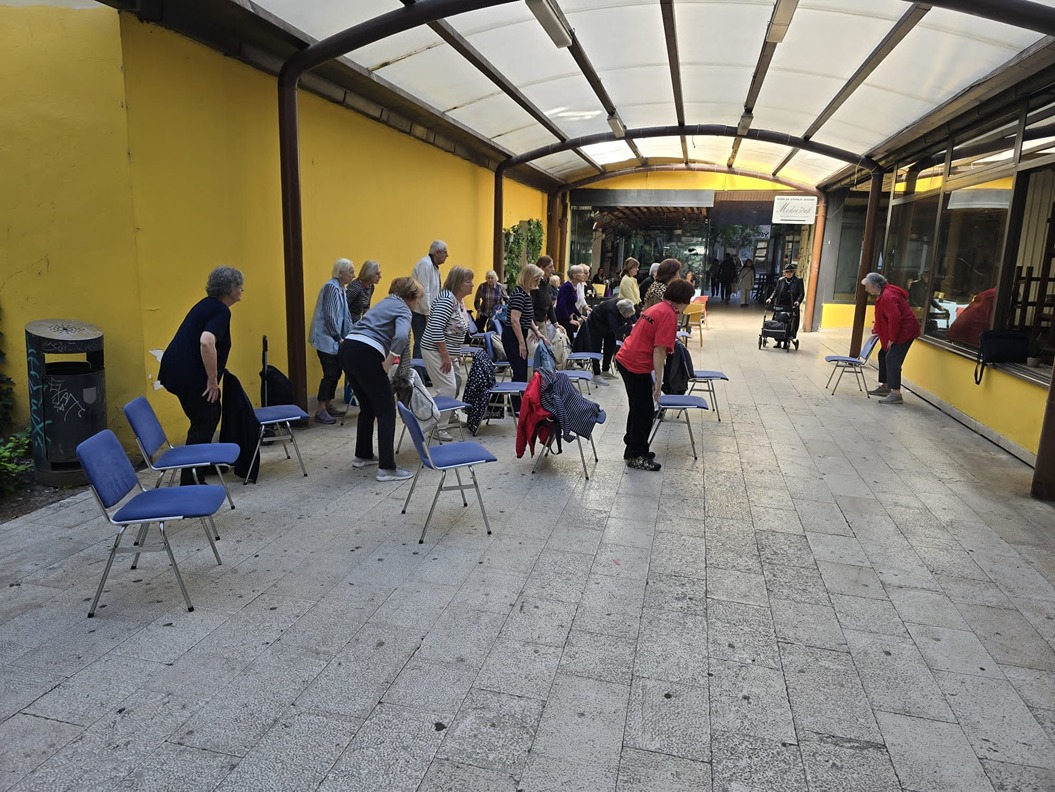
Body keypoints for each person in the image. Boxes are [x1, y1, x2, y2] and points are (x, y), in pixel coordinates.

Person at [158, 266, 244, 484]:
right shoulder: (221, 310)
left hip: (177, 372)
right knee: (204, 419)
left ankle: (202, 463)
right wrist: (213, 381)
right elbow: (206, 342)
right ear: (229, 289)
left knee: (211, 412)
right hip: (188, 376)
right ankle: (191, 479)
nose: (242, 289)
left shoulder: (207, 305)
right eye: (239, 286)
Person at [339, 277, 422, 481]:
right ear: (410, 297)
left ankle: (363, 455)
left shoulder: (385, 302)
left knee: (367, 406)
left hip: (348, 349)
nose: (418, 303)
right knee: (386, 410)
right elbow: (401, 337)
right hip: (366, 353)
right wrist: (388, 362)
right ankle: (387, 468)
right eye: (418, 298)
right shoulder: (403, 309)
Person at [615, 278, 695, 471]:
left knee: (638, 407)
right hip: (635, 364)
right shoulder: (668, 314)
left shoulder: (658, 308)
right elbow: (659, 350)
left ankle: (633, 448)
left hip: (627, 358)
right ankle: (636, 455)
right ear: (684, 299)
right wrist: (659, 381)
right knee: (644, 411)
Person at [421, 266, 474, 441]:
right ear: (458, 283)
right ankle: (436, 426)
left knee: (456, 382)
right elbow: (436, 329)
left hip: (448, 352)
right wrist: (445, 355)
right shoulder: (446, 300)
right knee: (447, 387)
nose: (472, 284)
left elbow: (455, 329)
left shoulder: (458, 301)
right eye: (468, 281)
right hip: (435, 350)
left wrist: (454, 353)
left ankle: (448, 414)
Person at [862, 272, 921, 405]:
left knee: (892, 358)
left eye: (867, 286)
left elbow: (895, 318)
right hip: (899, 330)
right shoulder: (883, 294)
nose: (866, 289)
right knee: (883, 354)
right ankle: (885, 386)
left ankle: (896, 393)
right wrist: (876, 331)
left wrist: (892, 338)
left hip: (905, 331)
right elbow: (880, 316)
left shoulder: (888, 296)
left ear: (874, 286)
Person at [308, 258, 354, 424]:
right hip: (326, 339)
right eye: (351, 272)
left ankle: (328, 405)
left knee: (336, 372)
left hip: (335, 339)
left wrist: (350, 334)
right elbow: (330, 316)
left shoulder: (341, 288)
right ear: (340, 273)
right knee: (330, 373)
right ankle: (320, 409)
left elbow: (346, 315)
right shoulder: (331, 288)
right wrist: (338, 337)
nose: (353, 275)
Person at [504, 264, 545, 410]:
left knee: (522, 370)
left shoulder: (526, 294)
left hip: (519, 334)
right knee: (519, 371)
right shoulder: (519, 295)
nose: (539, 282)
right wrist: (522, 344)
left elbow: (527, 318)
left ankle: (518, 403)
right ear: (529, 278)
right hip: (513, 336)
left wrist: (536, 331)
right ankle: (515, 406)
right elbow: (515, 321)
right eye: (537, 279)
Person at [410, 240, 448, 361]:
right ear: (437, 252)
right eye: (445, 252)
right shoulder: (425, 265)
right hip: (420, 313)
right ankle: (418, 370)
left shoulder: (434, 267)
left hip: (428, 312)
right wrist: (427, 313)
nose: (447, 255)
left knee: (429, 344)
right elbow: (423, 291)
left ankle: (426, 370)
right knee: (421, 343)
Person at [586, 297, 635, 377]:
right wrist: (631, 327)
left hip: (607, 324)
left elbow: (632, 316)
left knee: (611, 345)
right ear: (622, 312)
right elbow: (617, 330)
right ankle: (596, 373)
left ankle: (605, 370)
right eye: (627, 315)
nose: (629, 317)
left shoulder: (626, 304)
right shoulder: (611, 312)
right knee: (596, 347)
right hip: (596, 324)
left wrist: (638, 323)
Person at [767, 263, 805, 348]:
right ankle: (778, 342)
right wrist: (770, 298)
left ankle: (786, 342)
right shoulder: (781, 280)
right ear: (784, 273)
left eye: (791, 272)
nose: (789, 273)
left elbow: (801, 293)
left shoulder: (798, 280)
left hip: (792, 306)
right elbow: (776, 291)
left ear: (793, 272)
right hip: (781, 305)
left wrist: (798, 301)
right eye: (787, 272)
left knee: (789, 323)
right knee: (779, 322)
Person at [556, 265, 588, 338]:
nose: (583, 275)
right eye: (581, 273)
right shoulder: (567, 286)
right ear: (574, 275)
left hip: (567, 316)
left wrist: (580, 315)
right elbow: (562, 304)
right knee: (568, 338)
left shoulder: (574, 286)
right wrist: (569, 319)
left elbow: (571, 304)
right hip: (563, 317)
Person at [347, 259, 381, 324]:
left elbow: (366, 307)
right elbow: (343, 306)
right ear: (369, 273)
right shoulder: (356, 287)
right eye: (377, 274)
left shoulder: (371, 286)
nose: (380, 277)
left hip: (358, 321)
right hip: (348, 321)